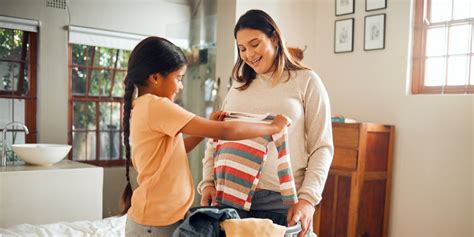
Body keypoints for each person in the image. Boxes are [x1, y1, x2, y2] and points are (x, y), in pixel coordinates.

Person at [119, 36, 291, 237]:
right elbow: (226, 132)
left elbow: (174, 151)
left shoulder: (142, 107)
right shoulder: (157, 105)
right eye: (178, 78)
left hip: (154, 220)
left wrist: (206, 130)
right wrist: (271, 127)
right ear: (155, 78)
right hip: (156, 225)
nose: (181, 86)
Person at [198, 9, 334, 237]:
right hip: (230, 198)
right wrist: (208, 183)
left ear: (274, 38)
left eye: (255, 44)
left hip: (281, 201)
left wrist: (308, 199)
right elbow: (217, 139)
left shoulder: (307, 81)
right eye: (242, 49)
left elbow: (322, 147)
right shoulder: (238, 87)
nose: (249, 54)